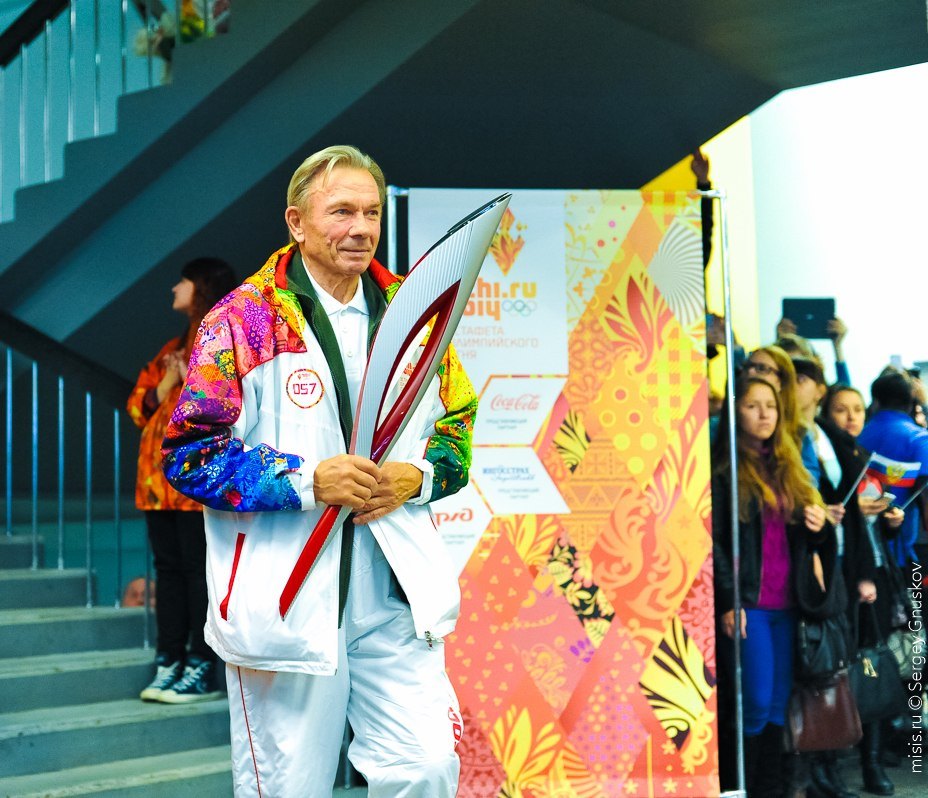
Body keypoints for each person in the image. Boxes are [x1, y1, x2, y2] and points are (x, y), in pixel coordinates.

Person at [161, 145, 475, 798]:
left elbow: (458, 426)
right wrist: (306, 481)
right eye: (341, 212)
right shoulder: (246, 319)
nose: (360, 228)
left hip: (394, 593)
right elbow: (190, 457)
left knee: (426, 769)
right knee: (289, 788)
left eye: (371, 212)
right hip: (288, 600)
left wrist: (418, 478)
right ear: (297, 222)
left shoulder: (415, 314)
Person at [127, 256, 238, 704]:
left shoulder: (222, 345)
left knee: (198, 572)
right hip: (156, 488)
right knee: (169, 572)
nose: (176, 288)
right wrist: (169, 378)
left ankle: (200, 664)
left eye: (184, 281)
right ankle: (168, 660)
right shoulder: (170, 349)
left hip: (198, 487)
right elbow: (138, 409)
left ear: (202, 288)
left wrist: (187, 373)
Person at [712, 374, 829, 797]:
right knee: (756, 703)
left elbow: (811, 540)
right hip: (750, 603)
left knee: (779, 704)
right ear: (735, 413)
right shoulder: (724, 472)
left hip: (788, 601)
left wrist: (817, 525)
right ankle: (740, 785)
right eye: (752, 405)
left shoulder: (789, 465)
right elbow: (715, 542)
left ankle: (772, 789)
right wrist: (728, 600)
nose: (764, 414)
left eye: (771, 406)